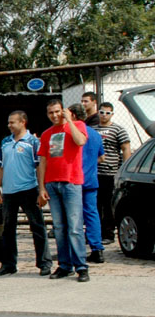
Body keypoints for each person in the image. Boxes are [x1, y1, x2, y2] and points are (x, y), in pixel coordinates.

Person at [0, 111, 52, 276]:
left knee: (37, 226)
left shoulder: (33, 142)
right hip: (9, 192)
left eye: (13, 122)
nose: (10, 125)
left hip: (29, 189)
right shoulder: (5, 142)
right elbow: (1, 166)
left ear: (23, 122)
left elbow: (39, 165)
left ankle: (44, 263)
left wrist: (41, 189)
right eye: (8, 123)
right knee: (8, 229)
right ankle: (9, 264)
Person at [37, 99, 90, 283]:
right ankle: (64, 265)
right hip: (52, 182)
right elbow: (43, 160)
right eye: (51, 113)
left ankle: (81, 266)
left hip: (71, 181)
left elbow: (80, 141)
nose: (55, 116)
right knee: (59, 227)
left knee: (75, 227)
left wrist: (69, 121)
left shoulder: (77, 125)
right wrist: (42, 186)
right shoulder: (46, 134)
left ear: (64, 111)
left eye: (57, 111)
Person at [69, 104, 106, 264]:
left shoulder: (71, 133)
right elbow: (101, 157)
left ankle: (73, 250)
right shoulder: (96, 135)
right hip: (90, 179)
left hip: (73, 179)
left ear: (74, 117)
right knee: (92, 214)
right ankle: (97, 248)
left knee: (72, 216)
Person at [95, 102, 131, 244]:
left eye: (107, 113)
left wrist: (124, 169)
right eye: (102, 112)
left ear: (112, 114)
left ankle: (108, 234)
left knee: (108, 204)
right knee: (95, 205)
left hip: (110, 174)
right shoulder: (92, 129)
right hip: (94, 173)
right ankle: (95, 233)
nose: (104, 115)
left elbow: (125, 149)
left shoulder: (118, 130)